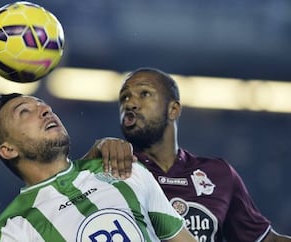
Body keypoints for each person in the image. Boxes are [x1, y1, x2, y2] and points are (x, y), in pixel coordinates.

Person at [83, 68, 291, 242]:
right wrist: (90, 158)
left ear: (173, 110)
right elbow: (59, 205)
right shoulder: (112, 171)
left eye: (144, 94)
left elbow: (267, 240)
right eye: (124, 98)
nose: (130, 103)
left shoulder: (219, 175)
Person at [0, 93, 196, 242]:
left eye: (43, 105)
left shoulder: (123, 168)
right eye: (24, 112)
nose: (45, 110)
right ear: (8, 150)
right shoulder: (12, 229)